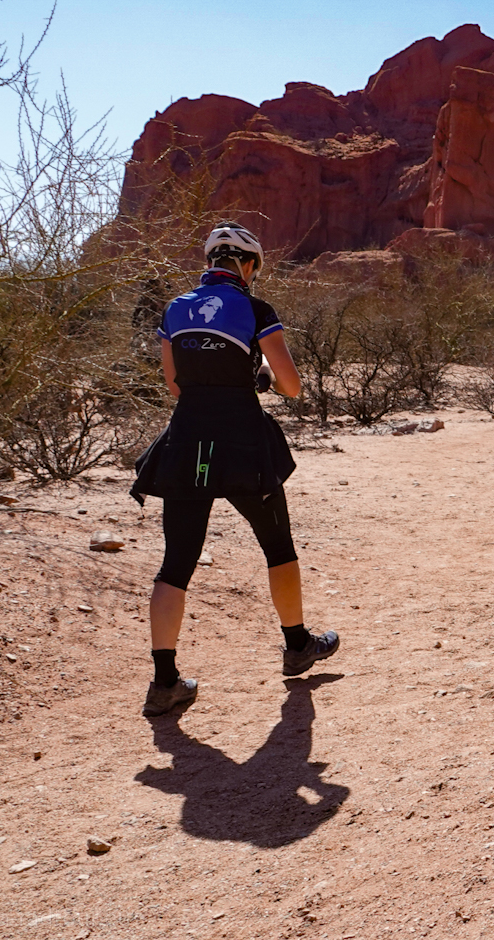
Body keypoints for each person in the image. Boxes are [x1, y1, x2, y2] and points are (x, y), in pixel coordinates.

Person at [131, 222, 340, 717]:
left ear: (210, 263)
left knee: (176, 561)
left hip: (186, 443)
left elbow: (175, 386)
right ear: (247, 266)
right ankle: (297, 645)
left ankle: (165, 682)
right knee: (277, 546)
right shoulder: (255, 309)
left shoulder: (174, 309)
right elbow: (291, 386)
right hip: (243, 441)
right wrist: (260, 378)